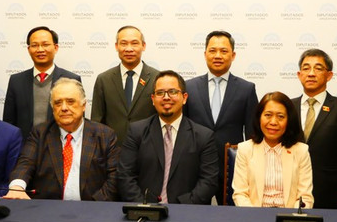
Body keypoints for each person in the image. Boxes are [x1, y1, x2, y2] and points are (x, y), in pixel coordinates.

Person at [4, 78, 119, 201]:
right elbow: (25, 163)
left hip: (92, 210)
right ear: (52, 108)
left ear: (83, 105)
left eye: (70, 102)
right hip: (48, 210)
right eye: (58, 103)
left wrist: (92, 206)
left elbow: (114, 178)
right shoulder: (40, 133)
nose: (64, 108)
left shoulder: (105, 135)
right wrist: (17, 187)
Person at [118, 70, 219, 204]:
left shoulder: (203, 136)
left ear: (184, 97)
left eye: (172, 92)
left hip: (187, 213)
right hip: (144, 211)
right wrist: (144, 205)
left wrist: (180, 207)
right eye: (160, 93)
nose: (166, 97)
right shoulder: (136, 131)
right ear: (153, 99)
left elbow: (209, 181)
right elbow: (125, 175)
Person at [184, 30, 257, 204]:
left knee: (232, 221)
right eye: (212, 50)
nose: (218, 55)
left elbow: (253, 133)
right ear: (205, 54)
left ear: (233, 55)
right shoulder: (189, 87)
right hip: (196, 166)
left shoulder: (246, 89)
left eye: (224, 51)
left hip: (233, 168)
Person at [291, 49, 337, 209]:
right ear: (299, 74)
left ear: (329, 75)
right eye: (306, 68)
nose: (311, 73)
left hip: (330, 189)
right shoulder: (288, 107)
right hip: (292, 186)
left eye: (318, 68)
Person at [232, 92, 314, 208]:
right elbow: (240, 194)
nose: (273, 122)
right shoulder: (245, 149)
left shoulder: (301, 151)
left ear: (289, 120)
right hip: (254, 217)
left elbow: (305, 197)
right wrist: (255, 218)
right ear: (259, 118)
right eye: (268, 115)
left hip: (288, 218)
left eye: (280, 116)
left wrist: (292, 219)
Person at [3, 26, 81, 138]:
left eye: (45, 44)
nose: (40, 49)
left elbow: (77, 120)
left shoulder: (72, 79)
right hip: (25, 148)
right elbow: (8, 122)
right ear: (29, 49)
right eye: (34, 45)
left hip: (60, 147)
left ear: (56, 47)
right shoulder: (16, 81)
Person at [91, 25, 159, 143]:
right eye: (123, 43)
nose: (129, 49)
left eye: (134, 43)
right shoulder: (104, 79)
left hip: (148, 148)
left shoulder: (157, 78)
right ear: (116, 46)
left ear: (143, 46)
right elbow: (97, 121)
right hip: (112, 150)